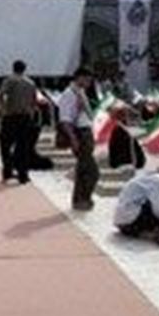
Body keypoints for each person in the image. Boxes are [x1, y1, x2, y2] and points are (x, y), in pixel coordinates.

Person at [58, 67, 100, 210]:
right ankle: (82, 198)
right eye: (87, 80)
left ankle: (80, 200)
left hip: (86, 132)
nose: (89, 83)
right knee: (92, 171)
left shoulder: (80, 92)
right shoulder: (69, 94)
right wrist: (73, 139)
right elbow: (65, 120)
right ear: (80, 78)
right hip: (79, 134)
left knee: (83, 169)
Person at [0, 60, 37, 184]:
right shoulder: (31, 83)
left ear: (13, 68)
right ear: (24, 69)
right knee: (23, 147)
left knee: (5, 145)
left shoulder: (9, 80)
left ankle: (8, 171)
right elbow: (34, 101)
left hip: (11, 117)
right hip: (25, 117)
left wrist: (3, 109)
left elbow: (2, 95)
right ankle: (23, 175)